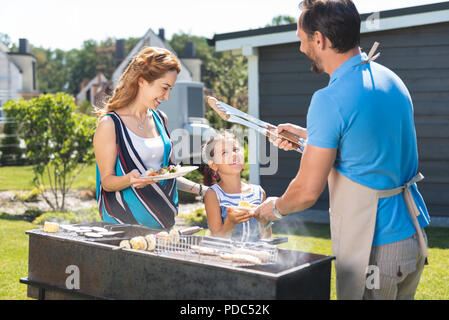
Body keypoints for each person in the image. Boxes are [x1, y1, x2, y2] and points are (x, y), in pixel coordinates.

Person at [255, 0, 430, 300]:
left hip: (374, 247)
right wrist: (307, 139)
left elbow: (308, 191)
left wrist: (273, 209)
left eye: (301, 38)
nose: (300, 48)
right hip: (411, 237)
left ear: (319, 39)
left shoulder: (329, 99)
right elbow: (367, 145)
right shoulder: (390, 80)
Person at [94, 46, 207, 229]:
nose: (167, 96)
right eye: (164, 88)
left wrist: (203, 190)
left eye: (170, 89)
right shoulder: (110, 125)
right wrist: (129, 179)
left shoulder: (161, 119)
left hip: (163, 225)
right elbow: (107, 182)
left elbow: (167, 174)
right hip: (123, 228)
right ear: (142, 81)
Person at [203, 131, 271, 241]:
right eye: (224, 153)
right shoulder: (213, 195)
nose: (234, 155)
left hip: (255, 256)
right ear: (214, 165)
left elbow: (266, 237)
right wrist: (230, 222)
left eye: (235, 150)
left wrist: (262, 220)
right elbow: (217, 240)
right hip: (227, 256)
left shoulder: (258, 193)